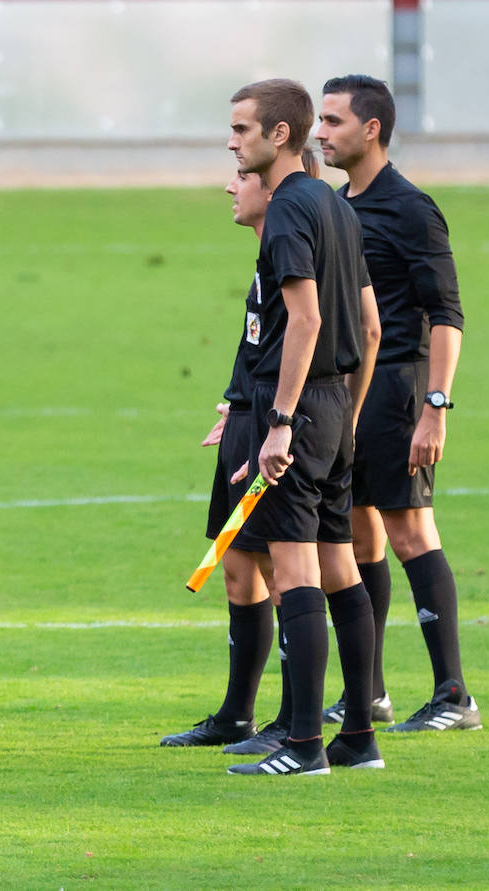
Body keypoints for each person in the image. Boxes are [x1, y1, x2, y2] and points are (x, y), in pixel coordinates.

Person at [220, 80, 382, 776]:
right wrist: (338, 413)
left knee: (293, 569)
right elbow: (369, 325)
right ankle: (358, 737)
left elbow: (308, 320)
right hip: (335, 407)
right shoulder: (333, 203)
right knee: (340, 567)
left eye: (241, 130)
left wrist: (281, 422)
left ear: (279, 134)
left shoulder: (288, 209)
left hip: (299, 409)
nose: (232, 142)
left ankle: (305, 745)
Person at [314, 74, 479, 732]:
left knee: (410, 530)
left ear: (371, 129)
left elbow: (447, 313)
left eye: (333, 122)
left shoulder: (411, 208)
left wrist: (435, 405)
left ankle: (455, 694)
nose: (321, 133)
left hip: (400, 387)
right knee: (359, 532)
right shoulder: (334, 202)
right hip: (349, 389)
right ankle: (371, 691)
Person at [159, 146, 323, 750]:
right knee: (236, 564)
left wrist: (276, 418)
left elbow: (316, 331)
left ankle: (294, 722)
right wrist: (234, 402)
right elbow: (259, 337)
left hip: (278, 425)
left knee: (289, 572)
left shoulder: (293, 239)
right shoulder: (267, 251)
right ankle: (237, 714)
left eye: (240, 176)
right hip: (247, 419)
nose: (231, 187)